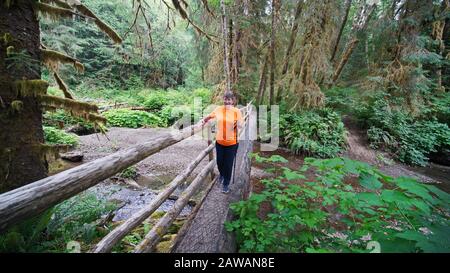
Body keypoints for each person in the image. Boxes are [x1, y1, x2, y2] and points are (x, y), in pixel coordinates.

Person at [201, 91, 243, 193]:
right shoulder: (218, 109)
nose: (227, 101)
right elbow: (210, 116)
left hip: (232, 143)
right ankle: (222, 174)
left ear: (233, 101)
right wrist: (204, 120)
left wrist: (238, 124)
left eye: (229, 99)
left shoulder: (236, 111)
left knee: (228, 164)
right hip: (219, 142)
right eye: (225, 99)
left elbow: (241, 124)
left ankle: (226, 184)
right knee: (220, 162)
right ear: (223, 99)